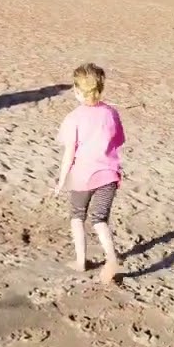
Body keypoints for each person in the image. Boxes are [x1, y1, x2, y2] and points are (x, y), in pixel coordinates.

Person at [52, 62, 126, 284]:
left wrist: (61, 180)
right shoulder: (111, 113)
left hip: (82, 176)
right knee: (100, 219)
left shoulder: (74, 117)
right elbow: (119, 141)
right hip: (108, 174)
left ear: (76, 91)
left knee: (77, 215)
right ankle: (111, 257)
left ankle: (81, 260)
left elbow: (69, 153)